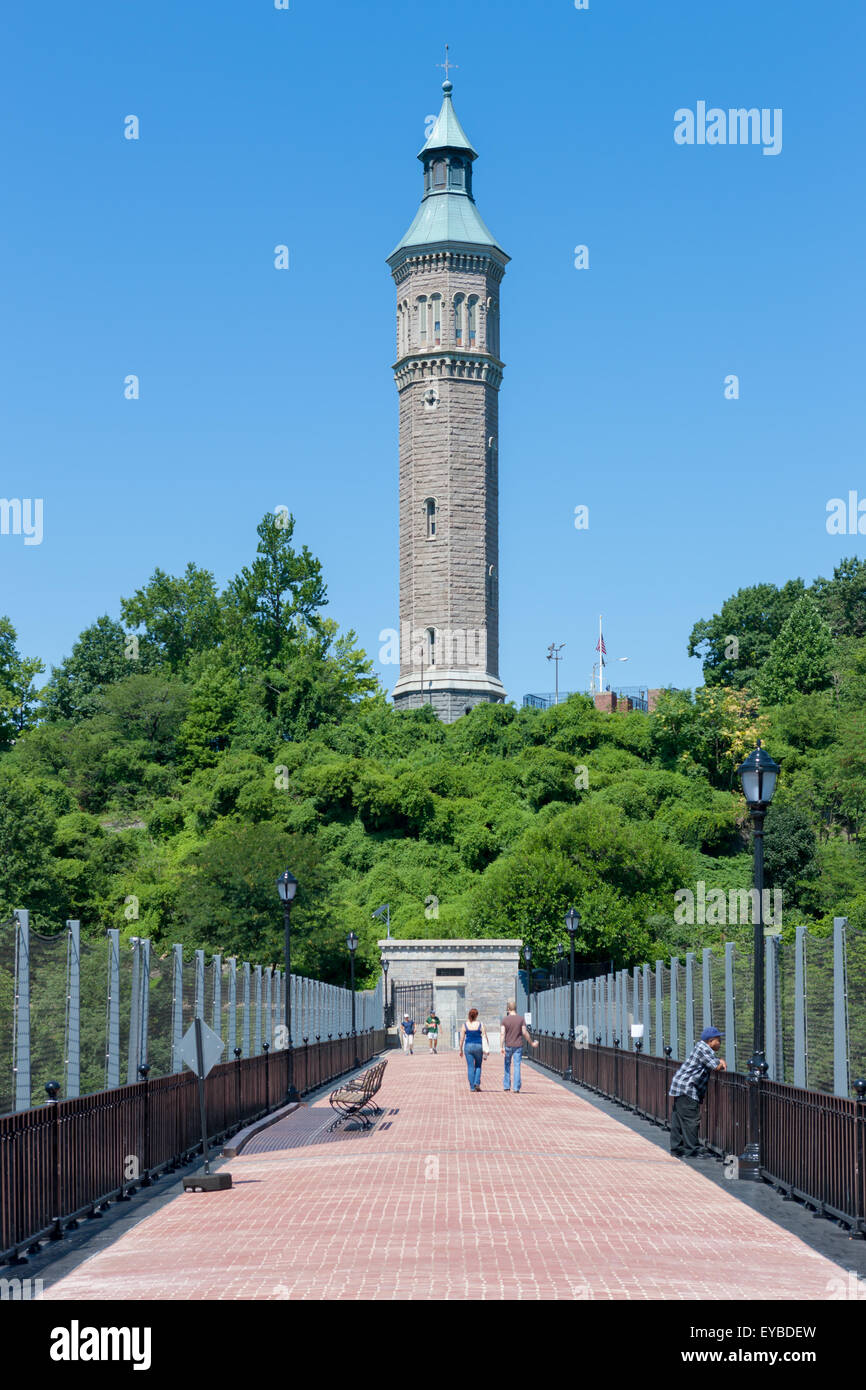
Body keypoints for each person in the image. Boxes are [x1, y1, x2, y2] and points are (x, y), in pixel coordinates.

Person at [668, 1026, 727, 1157]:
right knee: (691, 1119)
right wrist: (721, 1062)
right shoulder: (704, 1049)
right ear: (710, 1041)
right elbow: (716, 1066)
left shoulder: (702, 1047)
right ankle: (691, 1150)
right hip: (687, 1088)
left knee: (678, 1118)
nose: (720, 1043)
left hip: (681, 1086)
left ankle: (676, 1148)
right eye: (718, 1040)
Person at [500, 999, 538, 1093]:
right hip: (518, 1045)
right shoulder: (521, 1019)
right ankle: (516, 1088)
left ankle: (506, 1086)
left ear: (508, 1009)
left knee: (507, 1065)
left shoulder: (505, 1020)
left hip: (508, 1045)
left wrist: (501, 1046)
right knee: (517, 1066)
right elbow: (524, 1032)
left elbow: (502, 1034)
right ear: (515, 1008)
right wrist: (532, 1043)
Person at [459, 1008, 489, 1092]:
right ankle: (477, 1083)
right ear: (477, 1015)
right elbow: (485, 1036)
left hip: (468, 1046)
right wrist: (487, 1048)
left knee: (470, 1066)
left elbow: (461, 1039)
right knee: (478, 1065)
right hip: (478, 1046)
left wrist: (460, 1049)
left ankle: (472, 1087)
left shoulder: (465, 1025)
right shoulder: (480, 1024)